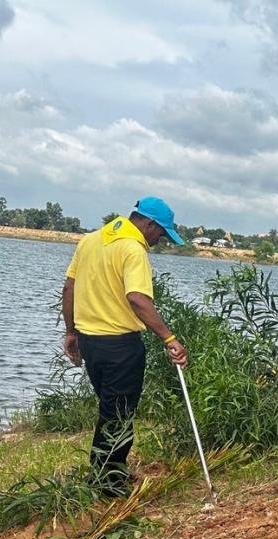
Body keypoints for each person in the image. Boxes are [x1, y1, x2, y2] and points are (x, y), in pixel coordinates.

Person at [61, 197, 189, 497]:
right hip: (120, 345)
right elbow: (138, 299)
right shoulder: (133, 249)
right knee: (118, 415)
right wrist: (170, 339)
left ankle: (110, 471)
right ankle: (108, 484)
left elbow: (70, 287)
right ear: (148, 224)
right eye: (162, 233)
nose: (161, 240)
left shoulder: (91, 240)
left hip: (91, 343)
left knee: (111, 409)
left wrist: (71, 332)